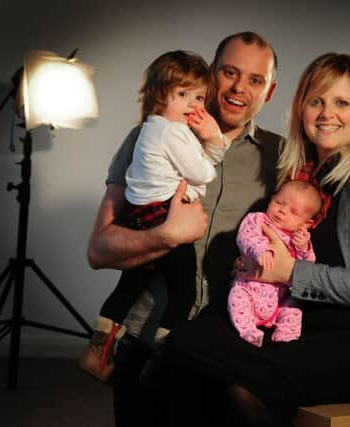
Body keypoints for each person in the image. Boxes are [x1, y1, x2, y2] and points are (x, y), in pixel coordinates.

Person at [142, 52, 350, 426]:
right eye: (316, 101)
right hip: (299, 327)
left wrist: (289, 272)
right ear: (301, 108)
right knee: (181, 349)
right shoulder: (303, 175)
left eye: (342, 103)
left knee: (236, 387)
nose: (327, 113)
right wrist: (252, 265)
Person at [86, 32, 281, 426]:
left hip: (223, 354)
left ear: (270, 91)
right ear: (211, 73)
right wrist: (166, 235)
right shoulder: (147, 135)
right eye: (229, 72)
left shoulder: (282, 157)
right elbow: (99, 250)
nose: (239, 87)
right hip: (143, 346)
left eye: (255, 80)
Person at [80, 50, 229, 382]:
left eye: (200, 97)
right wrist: (215, 141)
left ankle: (97, 352)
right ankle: (162, 360)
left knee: (130, 287)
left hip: (139, 215)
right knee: (183, 294)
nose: (193, 104)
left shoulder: (150, 128)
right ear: (161, 95)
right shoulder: (173, 132)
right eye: (182, 95)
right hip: (164, 216)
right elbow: (202, 172)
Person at [229, 179, 322, 347]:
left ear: (307, 223)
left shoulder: (299, 239)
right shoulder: (258, 220)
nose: (282, 211)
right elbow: (245, 237)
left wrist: (304, 248)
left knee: (293, 308)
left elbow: (307, 270)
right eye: (279, 202)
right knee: (237, 297)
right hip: (248, 288)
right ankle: (249, 332)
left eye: (294, 212)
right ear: (271, 199)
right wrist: (260, 249)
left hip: (279, 301)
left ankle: (285, 339)